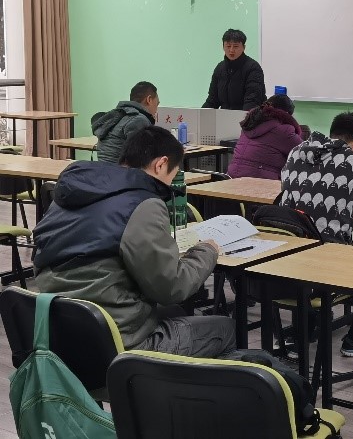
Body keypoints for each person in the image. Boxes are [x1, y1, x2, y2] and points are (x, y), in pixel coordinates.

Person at [32, 126, 235, 358]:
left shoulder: (72, 191)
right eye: (174, 174)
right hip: (118, 344)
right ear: (161, 164)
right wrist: (207, 250)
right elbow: (172, 287)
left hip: (61, 335)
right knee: (225, 329)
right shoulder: (142, 203)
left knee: (173, 311)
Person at [280, 111, 353, 357]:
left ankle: (303, 333)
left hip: (287, 262)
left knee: (315, 243)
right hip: (327, 266)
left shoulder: (296, 152)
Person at [227, 95, 303, 180]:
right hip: (260, 181)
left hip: (232, 177)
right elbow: (304, 151)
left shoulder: (249, 124)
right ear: (287, 114)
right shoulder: (284, 130)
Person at [91, 81, 159, 164]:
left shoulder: (118, 114)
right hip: (120, 170)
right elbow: (140, 158)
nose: (156, 110)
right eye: (157, 104)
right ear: (149, 100)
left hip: (104, 169)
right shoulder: (139, 119)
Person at [202, 29, 266, 111]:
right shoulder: (220, 68)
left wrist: (243, 119)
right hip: (225, 117)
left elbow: (252, 101)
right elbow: (212, 100)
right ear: (223, 47)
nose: (231, 50)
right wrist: (200, 115)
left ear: (244, 47)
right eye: (228, 46)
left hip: (248, 116)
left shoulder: (253, 68)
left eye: (235, 46)